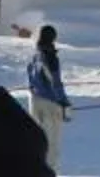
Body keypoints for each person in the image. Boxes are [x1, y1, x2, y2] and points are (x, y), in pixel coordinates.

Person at [23, 23, 73, 165]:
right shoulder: (50, 57)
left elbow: (30, 79)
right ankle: (49, 174)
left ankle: (35, 171)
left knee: (37, 139)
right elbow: (55, 82)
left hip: (34, 101)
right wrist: (63, 102)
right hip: (50, 103)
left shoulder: (34, 56)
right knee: (51, 142)